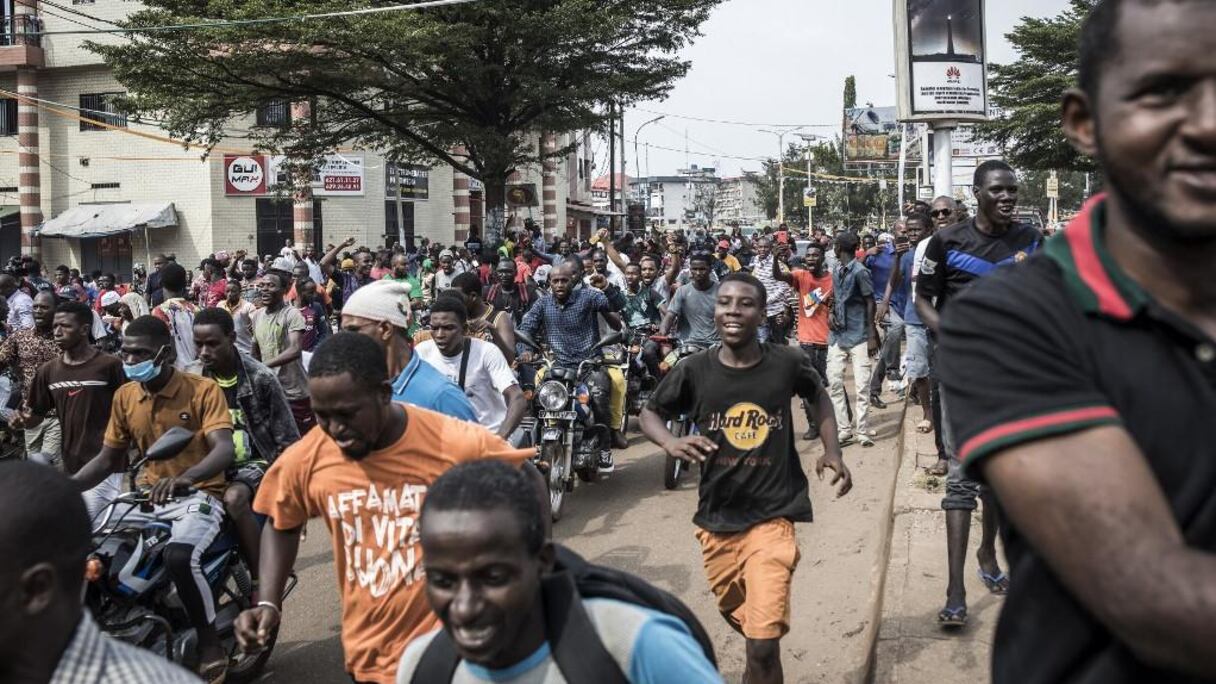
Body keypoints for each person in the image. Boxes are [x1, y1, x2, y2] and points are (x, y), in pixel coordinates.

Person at [938, 2, 1215, 680]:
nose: (1209, 124)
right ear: (1084, 122)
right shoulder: (1010, 320)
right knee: (958, 484)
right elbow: (1156, 599)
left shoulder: (1031, 243)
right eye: (1163, 91)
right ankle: (962, 579)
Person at [234, 332, 533, 684]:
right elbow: (281, 522)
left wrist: (533, 573)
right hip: (372, 654)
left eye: (347, 414)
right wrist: (269, 602)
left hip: (462, 651)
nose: (334, 430)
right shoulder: (310, 456)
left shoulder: (451, 441)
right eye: (322, 416)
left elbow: (526, 478)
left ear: (384, 394)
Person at [640, 272, 852, 684]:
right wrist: (670, 443)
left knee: (762, 643)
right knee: (745, 622)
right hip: (717, 521)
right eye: (725, 303)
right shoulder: (694, 369)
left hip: (774, 517)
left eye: (745, 304)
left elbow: (818, 395)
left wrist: (833, 451)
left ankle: (761, 659)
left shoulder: (787, 362)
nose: (733, 311)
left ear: (763, 313)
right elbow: (651, 412)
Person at [397, 460, 724, 684]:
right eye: (443, 581)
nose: (465, 607)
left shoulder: (633, 644)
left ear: (542, 562)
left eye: (493, 578)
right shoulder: (421, 667)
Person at [71, 316, 235, 682]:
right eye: (126, 353)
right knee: (98, 556)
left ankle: (209, 643)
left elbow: (223, 450)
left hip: (199, 493)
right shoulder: (125, 396)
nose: (130, 361)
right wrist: (63, 487)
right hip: (146, 496)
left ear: (167, 352)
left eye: (140, 354)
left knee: (179, 555)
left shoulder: (203, 390)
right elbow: (108, 460)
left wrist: (186, 478)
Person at [917, 160, 1040, 628]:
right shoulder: (945, 243)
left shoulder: (1030, 240)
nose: (1007, 197)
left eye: (1012, 189)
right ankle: (955, 590)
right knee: (961, 477)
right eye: (998, 190)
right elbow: (923, 300)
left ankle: (988, 554)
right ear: (978, 193)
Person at [0, 461, 200, 683]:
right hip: (134, 493)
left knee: (179, 556)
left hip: (196, 498)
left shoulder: (152, 678)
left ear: (38, 590)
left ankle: (210, 644)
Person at [190, 307, 300, 596]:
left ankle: (259, 578)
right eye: (198, 344)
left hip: (256, 461)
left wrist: (291, 496)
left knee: (235, 498)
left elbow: (287, 439)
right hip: (211, 464)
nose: (204, 352)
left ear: (231, 337)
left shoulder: (261, 377)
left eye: (212, 343)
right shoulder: (193, 380)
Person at [15, 301, 125, 516]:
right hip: (71, 463)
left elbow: (129, 410)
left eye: (65, 326)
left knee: (91, 530)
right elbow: (36, 415)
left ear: (84, 329)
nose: (57, 331)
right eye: (55, 326)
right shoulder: (48, 372)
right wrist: (22, 420)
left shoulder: (110, 366)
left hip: (106, 464)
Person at [518, 262, 626, 466]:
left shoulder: (589, 297)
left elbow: (618, 305)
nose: (559, 284)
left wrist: (607, 288)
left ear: (573, 280)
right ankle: (538, 443)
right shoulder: (543, 304)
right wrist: (526, 351)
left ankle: (604, 447)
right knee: (536, 397)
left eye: (564, 280)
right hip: (559, 365)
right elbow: (527, 327)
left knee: (599, 396)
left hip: (590, 364)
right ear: (549, 283)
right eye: (555, 281)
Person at [340, 279, 477, 421]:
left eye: (353, 330)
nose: (346, 340)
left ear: (386, 329)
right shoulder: (358, 386)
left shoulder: (442, 397)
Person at [415, 297, 526, 440]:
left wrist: (499, 439)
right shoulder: (422, 352)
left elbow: (517, 397)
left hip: (487, 440)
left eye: (448, 328)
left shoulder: (487, 352)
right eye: (435, 328)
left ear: (465, 329)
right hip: (442, 442)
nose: (440, 335)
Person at [885, 213, 937, 452]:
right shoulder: (906, 256)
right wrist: (897, 258)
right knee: (919, 370)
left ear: (929, 229)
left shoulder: (939, 251)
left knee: (940, 370)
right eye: (909, 231)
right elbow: (895, 280)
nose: (913, 234)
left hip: (937, 319)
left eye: (917, 230)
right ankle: (927, 413)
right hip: (914, 319)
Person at [772, 242, 833, 441]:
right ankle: (813, 425)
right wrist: (775, 259)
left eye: (816, 255)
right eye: (808, 256)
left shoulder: (833, 280)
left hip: (828, 342)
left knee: (830, 384)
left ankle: (840, 420)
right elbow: (779, 276)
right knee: (808, 386)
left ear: (823, 258)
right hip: (806, 340)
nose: (811, 259)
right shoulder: (800, 276)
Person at [825, 232, 878, 448]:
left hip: (859, 334)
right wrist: (830, 314)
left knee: (862, 385)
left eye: (835, 245)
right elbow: (835, 297)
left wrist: (872, 334)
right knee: (835, 382)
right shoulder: (837, 269)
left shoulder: (860, 272)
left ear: (840, 248)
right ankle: (845, 430)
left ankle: (863, 431)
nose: (834, 249)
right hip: (837, 334)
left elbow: (870, 302)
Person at [0, 291, 63, 465]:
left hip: (59, 414)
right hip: (30, 415)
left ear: (56, 310)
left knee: (49, 464)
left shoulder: (65, 338)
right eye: (35, 307)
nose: (38, 311)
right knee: (34, 466)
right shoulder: (20, 337)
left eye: (44, 307)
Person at [251, 270, 313, 435]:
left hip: (295, 392)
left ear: (284, 290)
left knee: (302, 441)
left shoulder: (292, 314)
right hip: (271, 391)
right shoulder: (256, 316)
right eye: (262, 285)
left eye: (271, 285)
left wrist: (263, 367)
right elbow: (255, 353)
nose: (264, 289)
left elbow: (295, 349)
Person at [865, 235, 903, 409]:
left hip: (907, 302)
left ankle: (874, 389)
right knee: (896, 328)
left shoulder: (915, 251)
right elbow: (853, 268)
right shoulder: (879, 253)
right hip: (883, 303)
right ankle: (892, 369)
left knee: (889, 347)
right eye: (901, 230)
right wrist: (866, 254)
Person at [450, 271, 515, 364]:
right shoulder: (457, 317)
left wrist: (493, 330)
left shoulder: (499, 318)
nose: (455, 302)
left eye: (459, 298)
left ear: (473, 296)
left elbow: (509, 359)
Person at [660, 252, 720, 349]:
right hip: (687, 343)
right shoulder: (682, 291)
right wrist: (662, 334)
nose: (698, 273)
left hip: (714, 344)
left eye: (702, 269)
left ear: (710, 269)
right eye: (694, 269)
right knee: (667, 362)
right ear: (690, 270)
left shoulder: (721, 290)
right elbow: (670, 316)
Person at [150, 262, 199, 370]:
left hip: (177, 372)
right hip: (197, 370)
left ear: (161, 283)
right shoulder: (196, 310)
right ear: (184, 284)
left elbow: (171, 355)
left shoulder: (160, 311)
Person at [751, 237, 794, 344]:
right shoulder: (756, 260)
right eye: (760, 247)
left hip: (776, 310)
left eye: (766, 247)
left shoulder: (778, 264)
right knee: (762, 342)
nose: (762, 249)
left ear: (770, 248)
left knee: (777, 343)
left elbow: (784, 287)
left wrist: (767, 301)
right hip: (761, 311)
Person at [322, 237, 376, 303]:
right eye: (366, 261)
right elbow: (323, 263)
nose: (370, 264)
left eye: (371, 261)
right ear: (355, 263)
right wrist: (343, 245)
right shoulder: (346, 279)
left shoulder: (375, 283)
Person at [484, 258, 536, 327]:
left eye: (508, 272)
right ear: (496, 272)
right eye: (500, 272)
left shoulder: (527, 292)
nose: (504, 275)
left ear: (516, 272)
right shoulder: (488, 292)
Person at [218, 278, 257, 355]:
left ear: (240, 292)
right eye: (227, 291)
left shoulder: (248, 306)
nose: (230, 294)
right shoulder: (220, 306)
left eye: (233, 291)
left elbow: (256, 326)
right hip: (226, 351)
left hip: (245, 350)